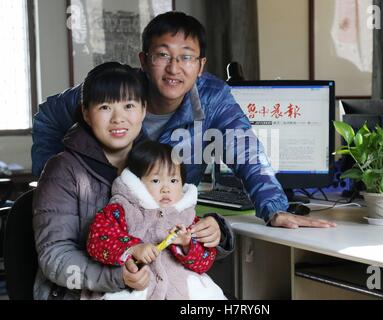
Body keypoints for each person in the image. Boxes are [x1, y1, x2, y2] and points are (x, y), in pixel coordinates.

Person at [31, 11, 336, 229]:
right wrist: (47, 182)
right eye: (162, 55)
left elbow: (246, 151)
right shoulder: (113, 91)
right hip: (104, 223)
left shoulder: (213, 97)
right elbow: (47, 116)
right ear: (143, 60)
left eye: (187, 57)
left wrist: (274, 209)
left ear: (201, 65)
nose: (174, 68)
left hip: (167, 225)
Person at [32, 62, 233, 300]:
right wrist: (117, 276)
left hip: (159, 288)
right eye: (105, 107)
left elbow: (178, 216)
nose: (119, 118)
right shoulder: (62, 170)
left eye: (129, 105)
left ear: (143, 110)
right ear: (86, 113)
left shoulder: (158, 161)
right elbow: (55, 256)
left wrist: (215, 231)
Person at [86, 140, 226, 300]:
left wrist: (187, 245)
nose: (166, 188)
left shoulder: (187, 217)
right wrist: (133, 248)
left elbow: (204, 262)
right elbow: (97, 239)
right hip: (138, 287)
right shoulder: (122, 209)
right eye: (155, 180)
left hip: (179, 289)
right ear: (137, 182)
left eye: (173, 181)